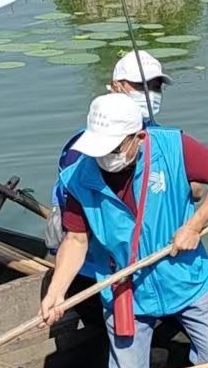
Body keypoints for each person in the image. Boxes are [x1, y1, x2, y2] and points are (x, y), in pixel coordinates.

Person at [42, 92, 208, 368]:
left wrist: (194, 225)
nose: (105, 157)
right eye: (99, 148)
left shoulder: (174, 147)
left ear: (138, 138)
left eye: (114, 148)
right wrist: (56, 292)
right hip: (126, 287)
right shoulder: (77, 177)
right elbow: (76, 240)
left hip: (186, 278)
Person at [47, 49, 170, 250]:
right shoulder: (84, 145)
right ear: (116, 86)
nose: (150, 94)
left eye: (156, 87)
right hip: (90, 238)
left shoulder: (163, 138)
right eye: (141, 86)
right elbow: (74, 206)